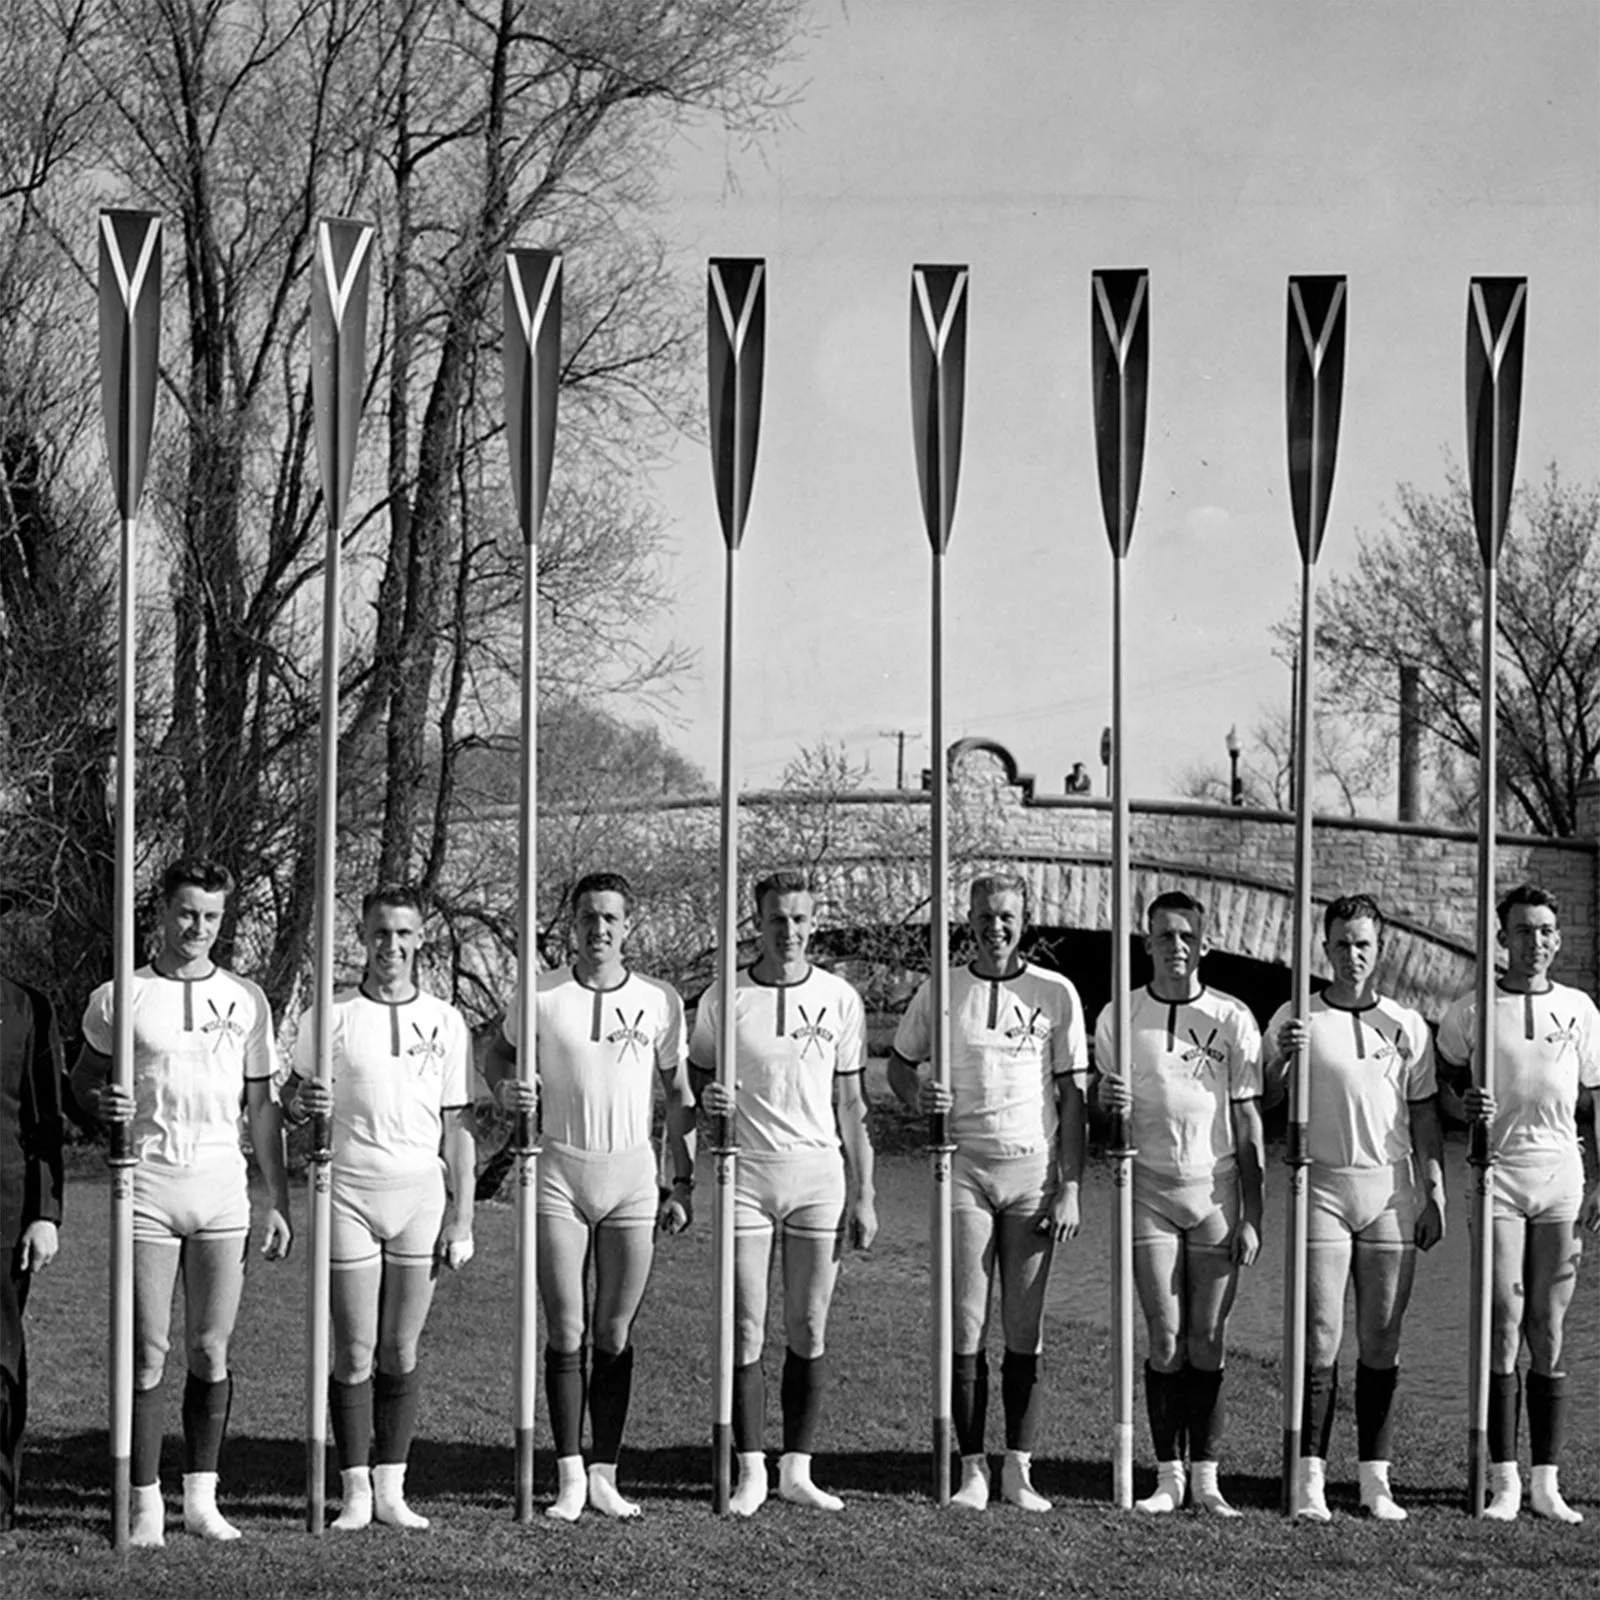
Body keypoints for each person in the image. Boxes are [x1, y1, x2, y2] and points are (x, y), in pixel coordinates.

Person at [72, 858, 293, 1546]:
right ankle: (143, 1503)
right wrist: (100, 1107)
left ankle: (201, 1499)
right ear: (161, 914)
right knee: (147, 1352)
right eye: (187, 914)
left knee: (210, 1346)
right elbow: (79, 1084)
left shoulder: (249, 998)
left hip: (222, 1189)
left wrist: (277, 1198)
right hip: (147, 1187)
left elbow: (261, 1107)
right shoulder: (120, 996)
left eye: (212, 917)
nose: (198, 928)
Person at [485, 872, 696, 1522]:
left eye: (610, 918)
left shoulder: (660, 1002)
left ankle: (605, 1471)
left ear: (628, 925)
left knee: (613, 1329)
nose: (598, 929)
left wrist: (681, 1180)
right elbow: (495, 1057)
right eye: (587, 919)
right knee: (567, 1328)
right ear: (571, 926)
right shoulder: (541, 995)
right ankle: (569, 1476)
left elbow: (679, 1098)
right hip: (559, 1173)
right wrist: (504, 1094)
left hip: (632, 1177)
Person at [887, 873, 1088, 1512]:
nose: (994, 927)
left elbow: (1073, 1099)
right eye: (984, 915)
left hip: (1032, 1176)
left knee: (1023, 1327)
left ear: (1023, 921)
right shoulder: (943, 989)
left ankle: (1017, 1469)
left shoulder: (1055, 994)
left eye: (1006, 916)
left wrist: (1072, 1188)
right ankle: (972, 1467)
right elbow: (898, 1063)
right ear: (967, 919)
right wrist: (919, 1096)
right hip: (964, 1171)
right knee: (967, 1322)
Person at [285, 883, 475, 1533]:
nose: (390, 946)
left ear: (420, 939)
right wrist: (301, 1106)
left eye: (403, 934)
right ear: (362, 937)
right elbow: (288, 1102)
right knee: (356, 1348)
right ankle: (355, 1490)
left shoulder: (447, 1022)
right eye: (379, 933)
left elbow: (459, 1130)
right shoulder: (328, 1017)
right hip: (349, 1195)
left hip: (420, 1195)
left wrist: (463, 1216)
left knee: (400, 1347)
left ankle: (393, 1488)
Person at [692, 869, 877, 1516]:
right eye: (777, 919)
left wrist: (866, 1192)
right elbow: (697, 1076)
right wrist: (710, 1103)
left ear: (813, 922)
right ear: (758, 923)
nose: (789, 931)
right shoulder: (726, 995)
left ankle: (796, 1468)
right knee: (746, 1328)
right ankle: (751, 1470)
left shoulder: (839, 998)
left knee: (807, 1324)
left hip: (818, 1177)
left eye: (800, 919)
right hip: (745, 1175)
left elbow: (852, 1105)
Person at [1263, 893, 1446, 1522]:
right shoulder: (1297, 1016)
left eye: (1363, 944)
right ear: (1325, 948)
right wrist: (1281, 1056)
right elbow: (1260, 1097)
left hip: (1390, 1192)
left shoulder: (1407, 1026)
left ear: (1381, 949)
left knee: (1381, 1338)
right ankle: (1311, 1476)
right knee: (1320, 1335)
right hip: (1323, 1188)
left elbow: (1423, 1117)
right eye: (1341, 944)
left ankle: (1375, 1478)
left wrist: (1434, 1191)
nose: (1352, 956)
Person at [1093, 891, 1264, 1517]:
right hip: (1149, 1191)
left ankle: (1207, 1478)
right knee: (1166, 1339)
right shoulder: (1120, 1015)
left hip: (1214, 1191)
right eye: (1164, 936)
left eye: (1187, 935)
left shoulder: (1232, 1017)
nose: (1176, 947)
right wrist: (1104, 1107)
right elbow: (1095, 1121)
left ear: (1205, 944)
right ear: (1148, 943)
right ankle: (1167, 1477)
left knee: (1207, 1337)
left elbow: (1249, 1125)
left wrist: (1254, 1213)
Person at [1435, 883, 1600, 1523]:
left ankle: (1546, 1482)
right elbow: (1443, 1088)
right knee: (1506, 1322)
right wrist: (1460, 1106)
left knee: (1549, 1329)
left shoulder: (1582, 1010)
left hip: (1561, 1176)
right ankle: (1504, 1480)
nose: (1537, 942)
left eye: (1547, 931)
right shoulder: (1471, 1011)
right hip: (1497, 1176)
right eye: (1525, 930)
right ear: (1502, 939)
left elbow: (1596, 1099)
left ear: (1558, 939)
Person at [0, 971, 64, 1537]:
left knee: (0, 1359)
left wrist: (44, 1211)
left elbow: (45, 1119)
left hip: (4, 1208)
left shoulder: (28, 1007)